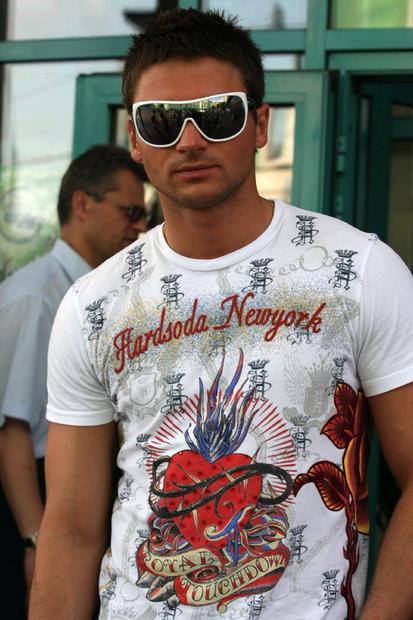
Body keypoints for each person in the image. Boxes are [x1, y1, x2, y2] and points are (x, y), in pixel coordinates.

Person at [29, 9, 413, 620]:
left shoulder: (360, 271)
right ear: (135, 139)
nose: (189, 140)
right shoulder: (93, 306)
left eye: (217, 114)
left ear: (260, 124)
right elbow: (72, 527)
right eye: (161, 121)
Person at [0, 144, 148, 618]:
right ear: (82, 204)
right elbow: (12, 431)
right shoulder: (38, 296)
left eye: (143, 215)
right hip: (40, 500)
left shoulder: (107, 292)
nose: (139, 227)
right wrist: (35, 539)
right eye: (129, 212)